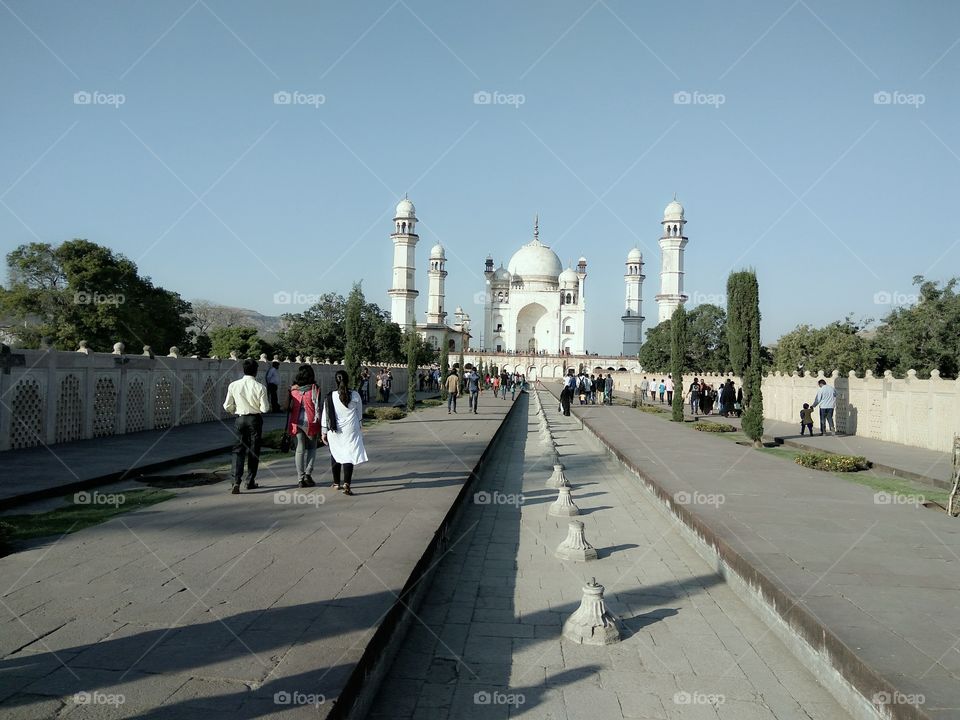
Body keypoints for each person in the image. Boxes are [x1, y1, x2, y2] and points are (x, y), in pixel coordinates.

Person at [223, 358, 269, 494]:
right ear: (256, 371)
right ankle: (250, 481)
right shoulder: (260, 387)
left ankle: (236, 481)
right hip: (254, 419)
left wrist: (234, 410)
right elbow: (265, 408)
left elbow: (227, 405)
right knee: (254, 450)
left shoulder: (233, 385)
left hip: (240, 418)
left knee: (238, 450)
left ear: (243, 370)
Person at [321, 370, 367, 496]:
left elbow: (326, 415)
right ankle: (347, 483)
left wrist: (324, 432)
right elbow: (359, 414)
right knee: (349, 455)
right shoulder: (355, 395)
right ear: (347, 380)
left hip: (335, 430)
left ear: (336, 381)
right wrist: (360, 427)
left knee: (335, 454)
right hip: (351, 429)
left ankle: (336, 483)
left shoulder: (330, 396)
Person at [289, 364, 321, 488]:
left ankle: (300, 478)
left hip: (296, 421)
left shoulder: (293, 389)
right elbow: (318, 406)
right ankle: (308, 473)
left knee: (299, 449)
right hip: (311, 421)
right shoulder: (315, 388)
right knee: (312, 448)